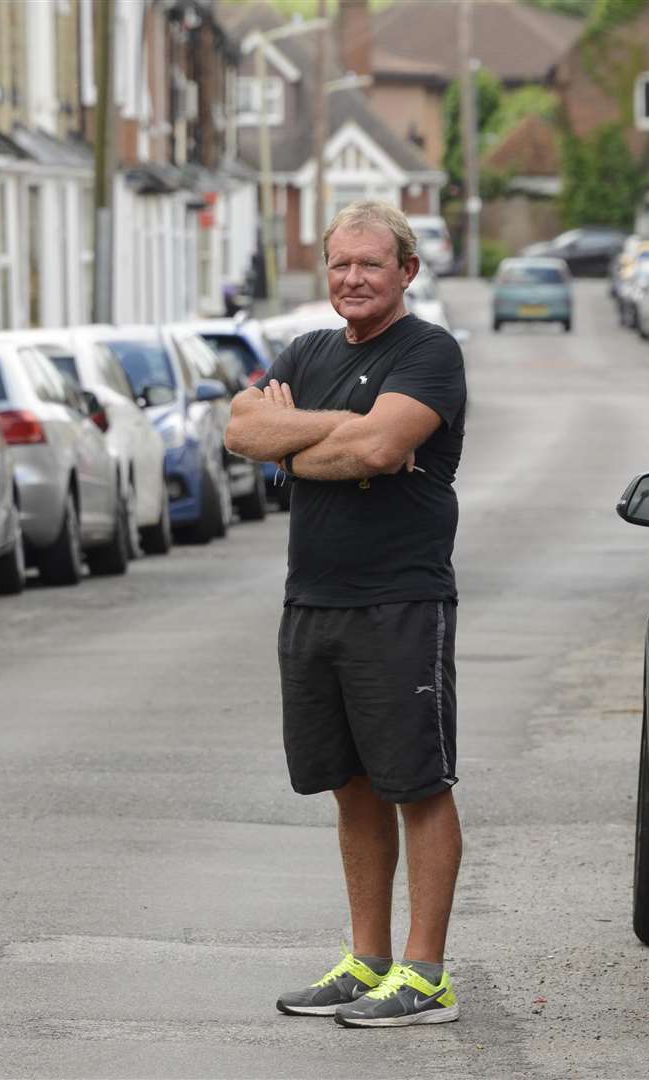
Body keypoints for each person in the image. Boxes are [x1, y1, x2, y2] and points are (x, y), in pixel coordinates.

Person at [223, 201, 466, 1028]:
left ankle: (425, 974)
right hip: (313, 599)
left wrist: (305, 439)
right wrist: (333, 431)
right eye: (340, 265)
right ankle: (367, 960)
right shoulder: (308, 350)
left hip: (400, 600)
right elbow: (241, 428)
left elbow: (378, 449)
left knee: (418, 784)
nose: (353, 278)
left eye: (370, 264)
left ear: (407, 271)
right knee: (350, 784)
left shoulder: (429, 352)